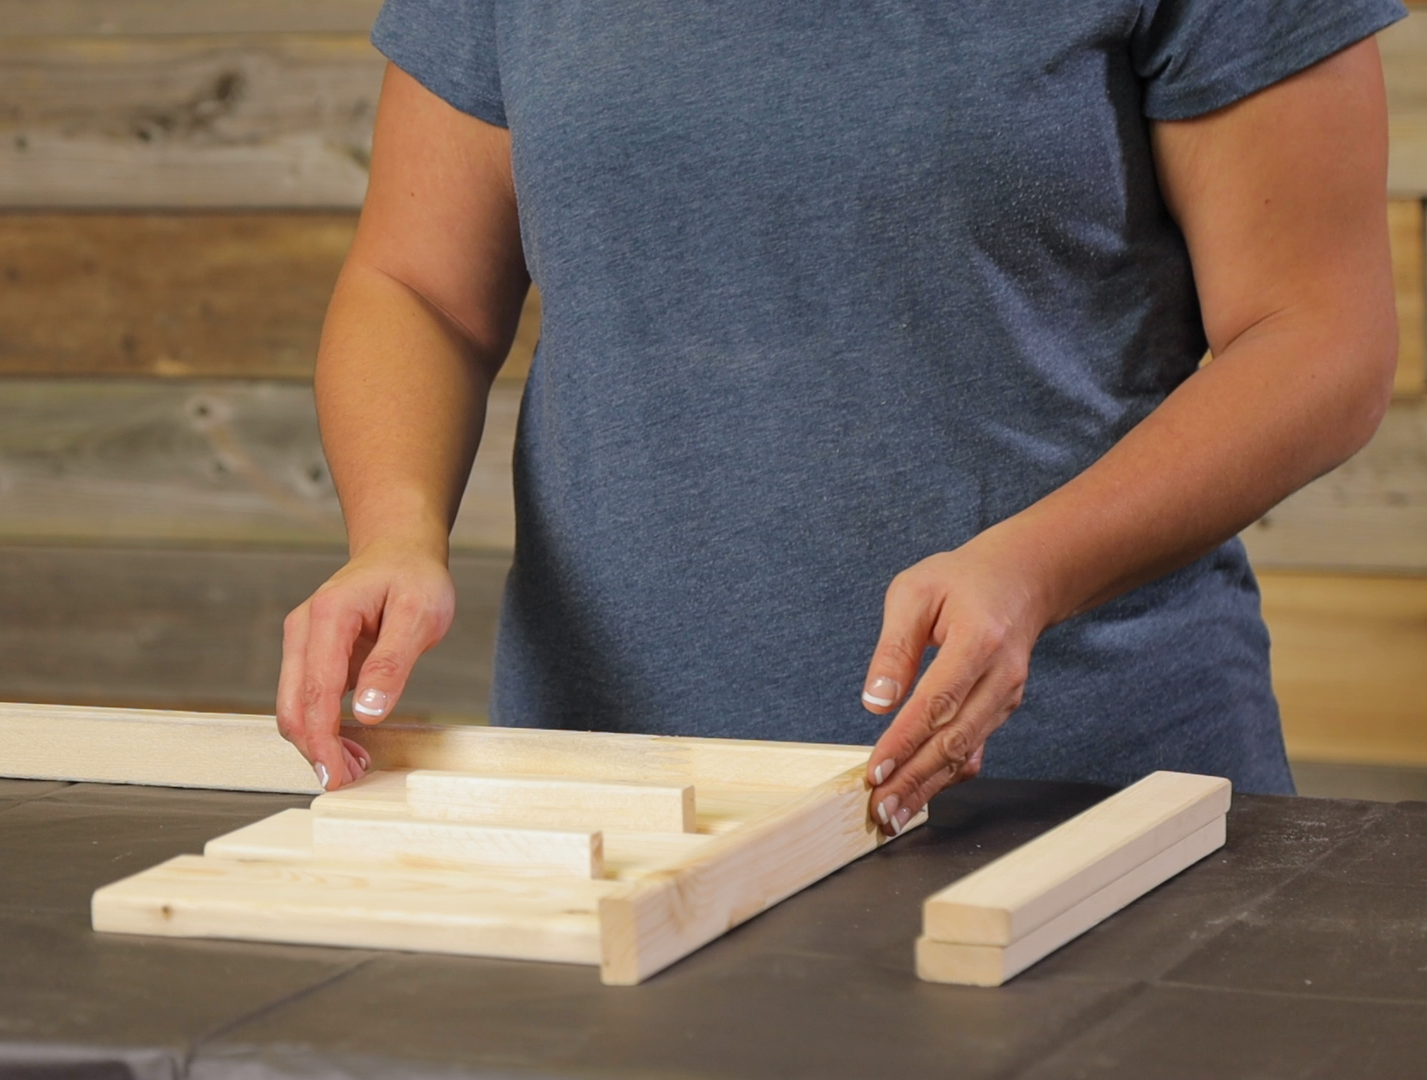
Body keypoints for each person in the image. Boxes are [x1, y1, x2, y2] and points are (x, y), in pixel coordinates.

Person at [274, 0, 1405, 833]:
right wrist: (395, 534)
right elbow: (417, 288)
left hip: (1077, 803)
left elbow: (1318, 339)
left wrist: (1038, 569)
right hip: (616, 799)